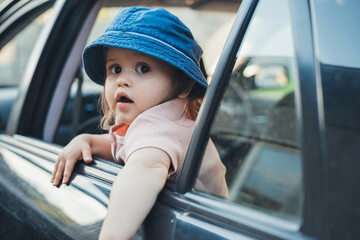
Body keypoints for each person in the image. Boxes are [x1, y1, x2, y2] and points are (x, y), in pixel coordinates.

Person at [51, 7, 228, 239]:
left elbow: (142, 172)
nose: (123, 80)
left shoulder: (159, 126)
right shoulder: (171, 121)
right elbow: (127, 148)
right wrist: (87, 141)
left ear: (183, 85)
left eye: (143, 68)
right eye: (115, 69)